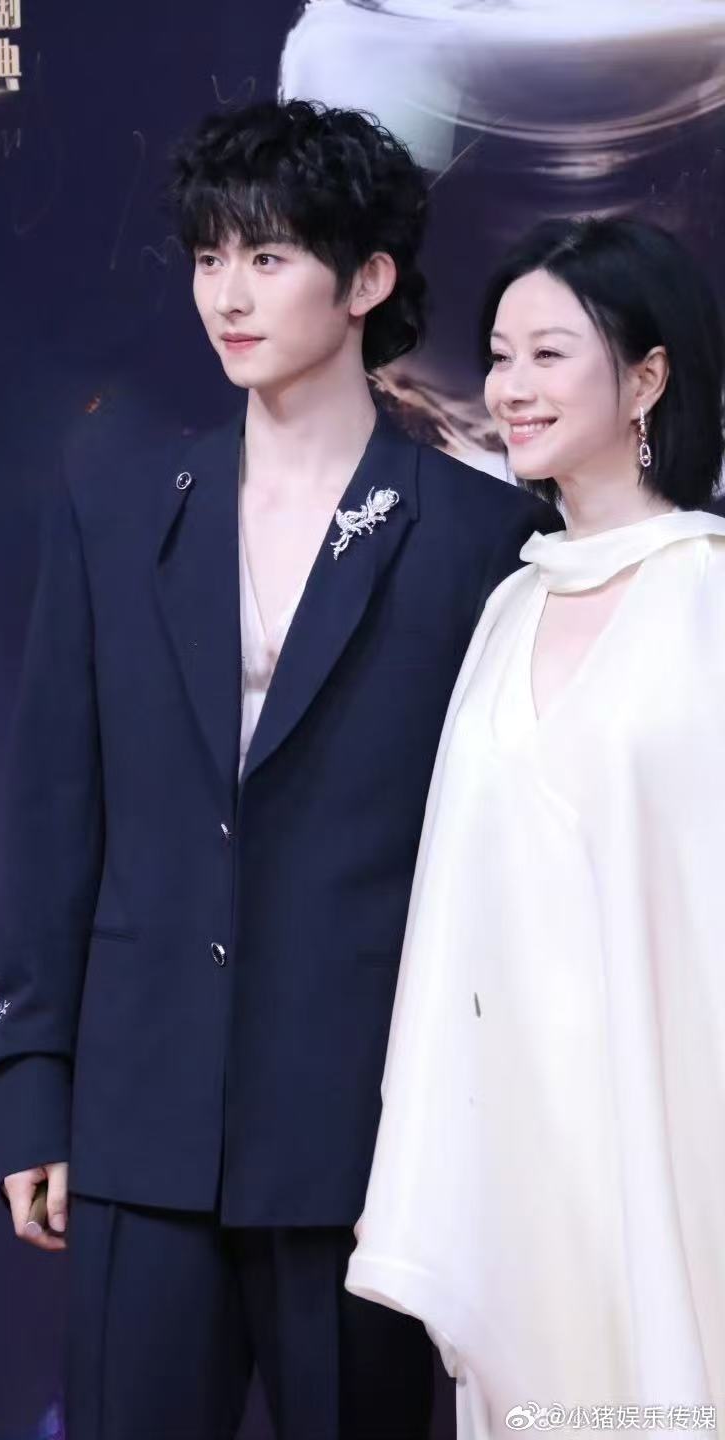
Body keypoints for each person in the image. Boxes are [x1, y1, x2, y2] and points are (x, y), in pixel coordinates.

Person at [0, 99, 557, 1440]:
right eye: (207, 257)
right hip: (139, 1125)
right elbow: (57, 810)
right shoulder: (119, 502)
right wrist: (31, 1085)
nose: (226, 295)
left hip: (367, 1140)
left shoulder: (476, 535)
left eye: (268, 256)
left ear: (367, 280)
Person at [347, 216, 725, 1436]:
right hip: (519, 1144)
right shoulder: (512, 604)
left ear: (647, 379)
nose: (510, 387)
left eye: (549, 355)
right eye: (500, 356)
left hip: (674, 1133)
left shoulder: (707, 598)